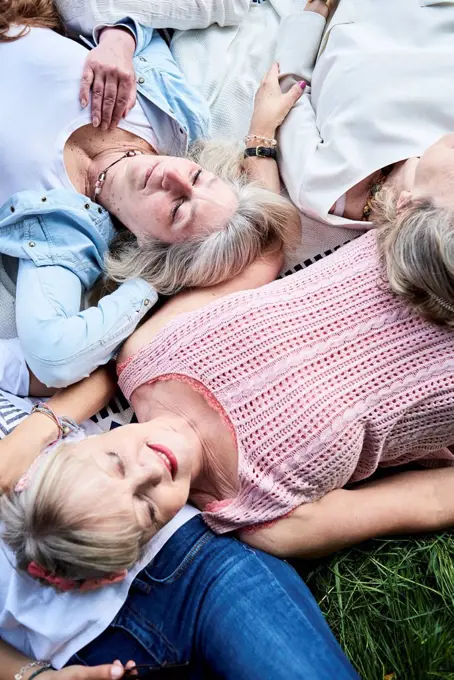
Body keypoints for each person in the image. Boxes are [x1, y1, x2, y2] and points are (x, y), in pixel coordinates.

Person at [3, 184, 454, 582]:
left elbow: (262, 255)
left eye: (116, 464)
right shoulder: (268, 518)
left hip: (427, 240)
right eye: (145, 505)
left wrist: (35, 430)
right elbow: (431, 500)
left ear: (77, 444)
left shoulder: (148, 354)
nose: (152, 470)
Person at [0, 1, 300, 390]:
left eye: (177, 210)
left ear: (148, 246)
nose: (173, 179)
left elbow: (55, 358)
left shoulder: (64, 235)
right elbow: (143, 32)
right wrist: (117, 40)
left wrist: (150, 286)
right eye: (196, 176)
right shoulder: (173, 117)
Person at [0, 375, 358, 679]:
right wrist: (30, 675)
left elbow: (99, 371)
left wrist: (30, 436)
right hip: (82, 650)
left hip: (188, 555)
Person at [277, 0, 454, 233]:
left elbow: (287, 95)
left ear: (408, 205)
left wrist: (313, 14)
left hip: (351, 14)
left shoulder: (326, 187)